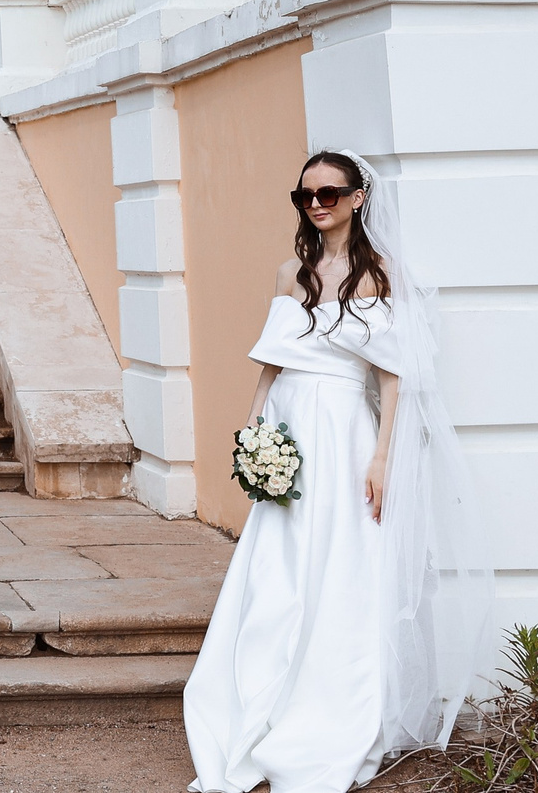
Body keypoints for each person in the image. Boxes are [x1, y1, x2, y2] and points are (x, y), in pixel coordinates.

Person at [184, 152, 493, 793]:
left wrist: (382, 455)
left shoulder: (381, 276)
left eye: (329, 192)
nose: (316, 204)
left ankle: (326, 709)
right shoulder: (288, 274)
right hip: (291, 430)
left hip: (347, 432)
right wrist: (252, 433)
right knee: (277, 568)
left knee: (342, 562)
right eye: (304, 196)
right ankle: (257, 703)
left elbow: (393, 376)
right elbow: (271, 363)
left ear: (357, 198)